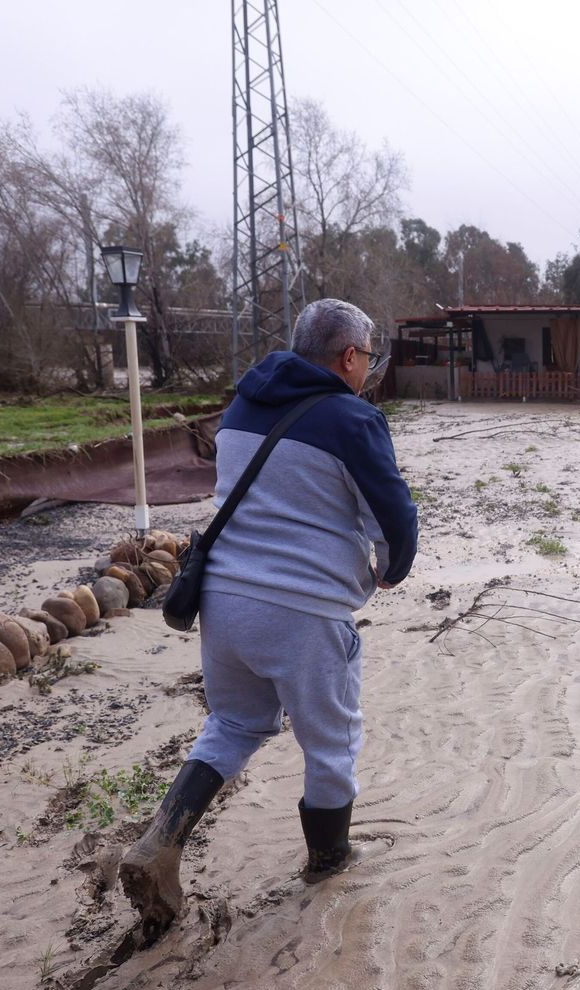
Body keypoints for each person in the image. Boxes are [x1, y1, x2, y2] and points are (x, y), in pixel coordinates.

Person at [119, 298, 417, 939]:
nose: (368, 370)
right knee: (331, 744)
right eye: (367, 358)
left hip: (223, 602)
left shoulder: (243, 405)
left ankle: (161, 840)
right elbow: (393, 517)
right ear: (347, 357)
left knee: (233, 722)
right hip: (302, 613)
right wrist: (392, 568)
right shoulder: (352, 420)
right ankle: (328, 860)